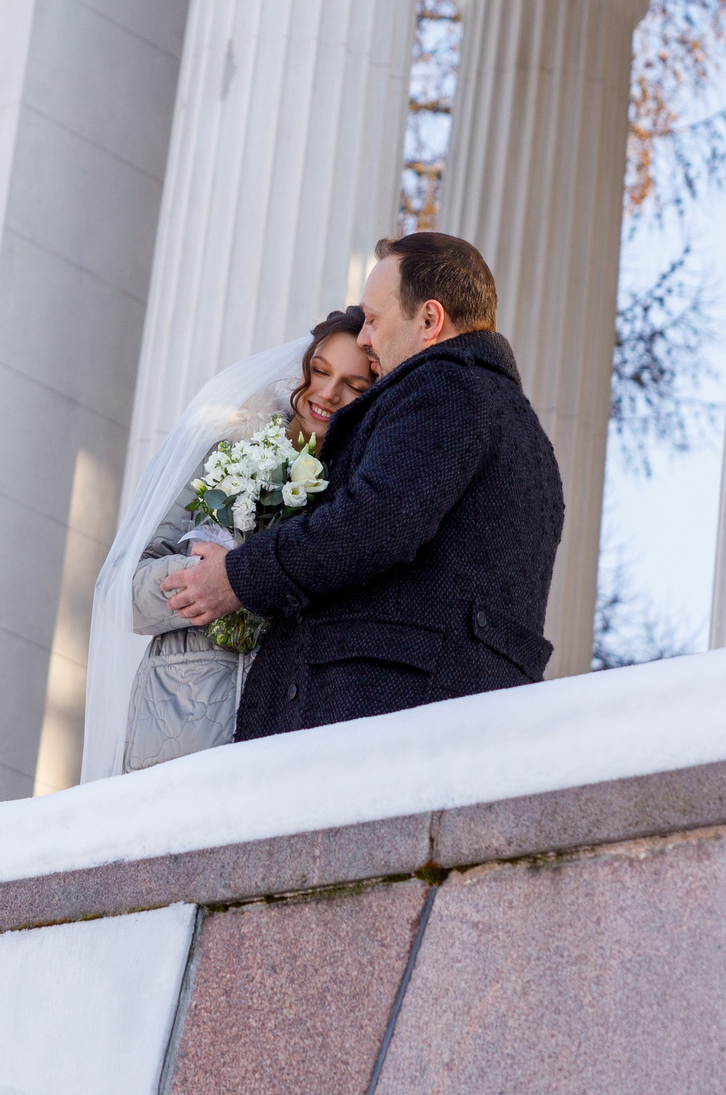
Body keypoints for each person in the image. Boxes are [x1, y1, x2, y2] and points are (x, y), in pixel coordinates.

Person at [159, 232, 564, 739]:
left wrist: (237, 576)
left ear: (430, 320)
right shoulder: (525, 434)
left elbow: (372, 521)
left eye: (373, 319)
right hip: (456, 713)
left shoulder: (445, 385)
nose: (366, 338)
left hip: (376, 711)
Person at [115, 308, 373, 772]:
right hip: (177, 727)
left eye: (355, 386)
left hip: (281, 744)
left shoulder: (357, 496)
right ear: (301, 368)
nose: (329, 394)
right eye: (320, 372)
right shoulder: (227, 446)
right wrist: (214, 578)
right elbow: (126, 593)